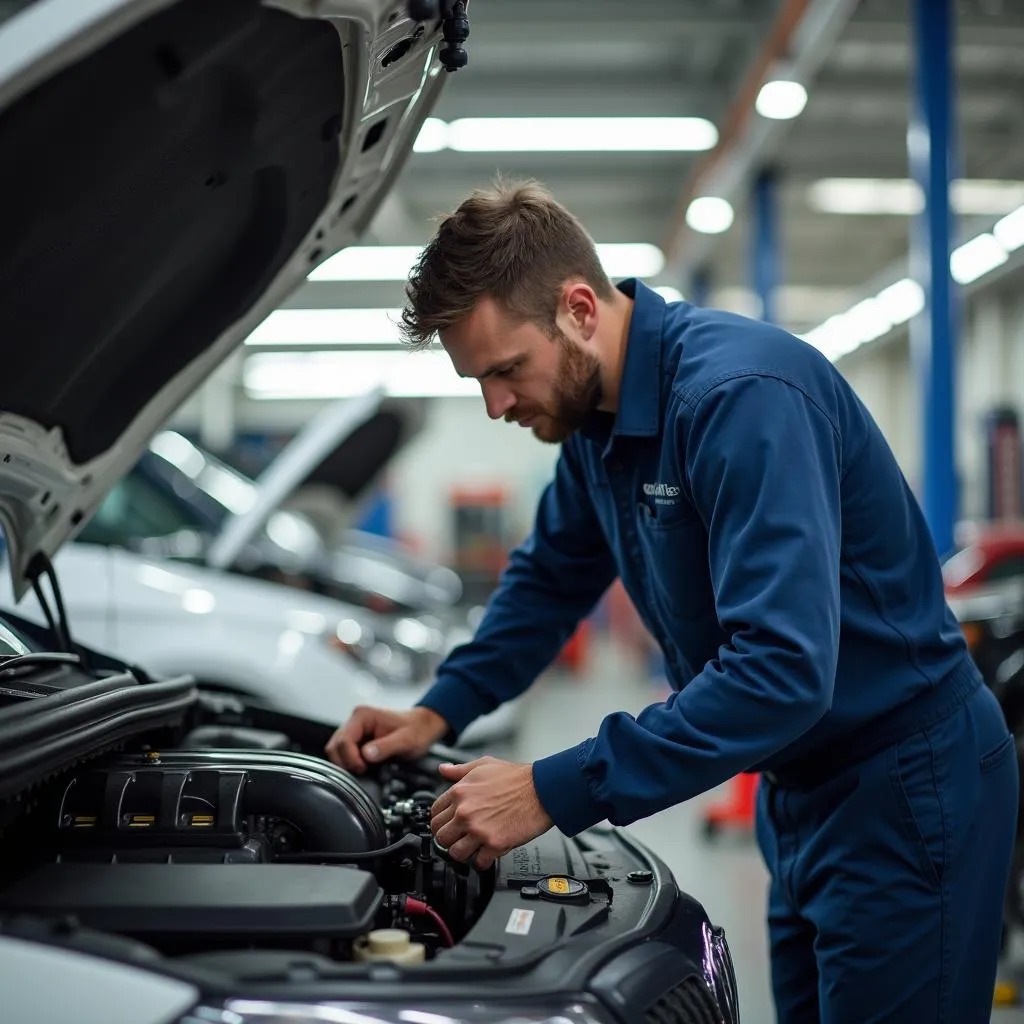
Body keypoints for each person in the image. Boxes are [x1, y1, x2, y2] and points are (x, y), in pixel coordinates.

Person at [325, 180, 1018, 1021]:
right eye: (480, 380)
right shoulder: (596, 427)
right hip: (802, 789)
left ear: (579, 308)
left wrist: (552, 788)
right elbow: (549, 579)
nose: (496, 405)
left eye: (506, 371)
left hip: (906, 788)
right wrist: (437, 712)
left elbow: (781, 673)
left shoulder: (739, 400)